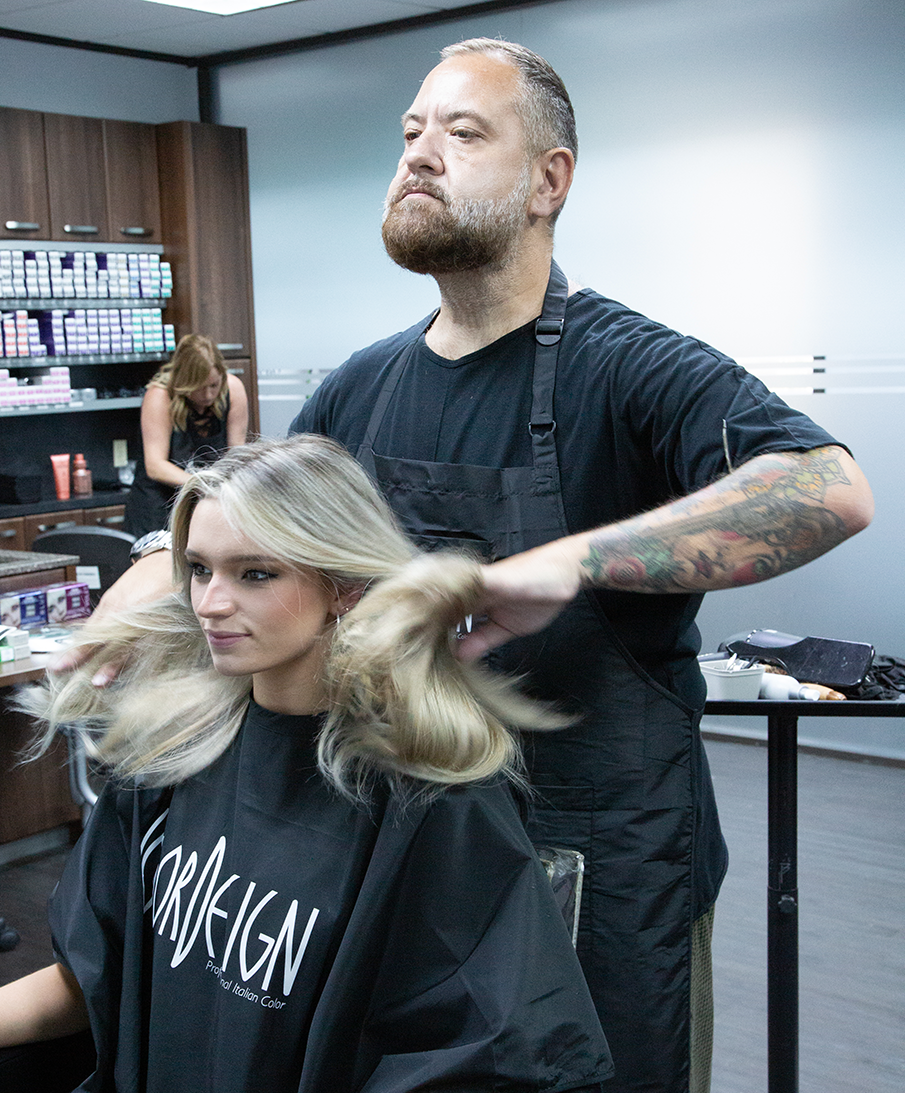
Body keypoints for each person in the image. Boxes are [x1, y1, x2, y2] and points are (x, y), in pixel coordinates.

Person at [52, 37, 874, 1093]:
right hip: (414, 857)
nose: (419, 154)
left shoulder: (625, 366)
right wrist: (121, 613)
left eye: (462, 131)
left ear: (549, 180)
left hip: (603, 860)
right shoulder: (361, 387)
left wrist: (573, 562)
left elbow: (828, 489)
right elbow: (258, 542)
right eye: (409, 132)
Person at [0, 435, 613, 1093]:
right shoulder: (171, 758)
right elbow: (91, 977)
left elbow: (499, 1053)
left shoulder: (430, 803)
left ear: (345, 584)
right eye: (200, 569)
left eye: (255, 573)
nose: (211, 603)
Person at [124, 333, 248, 537]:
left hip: (209, 501)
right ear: (184, 382)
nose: (208, 395)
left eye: (214, 385)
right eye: (199, 387)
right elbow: (155, 466)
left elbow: (236, 453)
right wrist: (204, 484)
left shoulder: (233, 389)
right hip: (159, 505)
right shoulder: (159, 396)